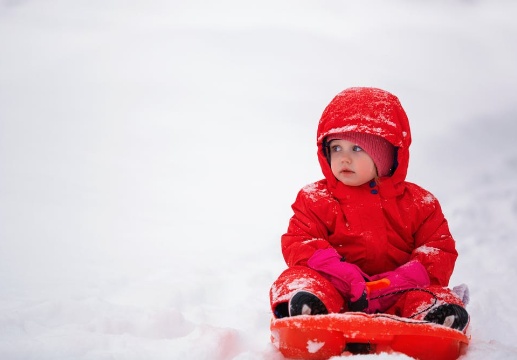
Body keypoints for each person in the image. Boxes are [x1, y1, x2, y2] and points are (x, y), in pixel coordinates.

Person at [269, 87, 469, 332]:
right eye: (336, 148)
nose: (344, 158)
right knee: (297, 279)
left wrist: (400, 280)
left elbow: (438, 249)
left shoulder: (420, 203)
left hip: (401, 291)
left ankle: (435, 316)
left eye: (356, 148)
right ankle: (307, 310)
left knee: (431, 293)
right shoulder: (315, 199)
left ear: (386, 155)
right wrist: (341, 273)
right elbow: (301, 242)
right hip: (338, 288)